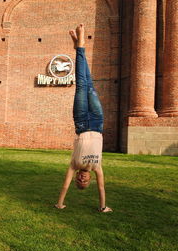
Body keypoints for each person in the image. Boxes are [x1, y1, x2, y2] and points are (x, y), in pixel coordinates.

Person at [55, 24, 112, 213]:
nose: (81, 179)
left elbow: (64, 186)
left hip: (80, 121)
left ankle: (79, 44)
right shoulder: (97, 167)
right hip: (97, 122)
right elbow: (102, 188)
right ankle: (77, 45)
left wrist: (60, 203)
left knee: (81, 85)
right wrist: (103, 207)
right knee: (89, 85)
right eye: (84, 181)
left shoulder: (74, 165)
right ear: (90, 180)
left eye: (79, 181)